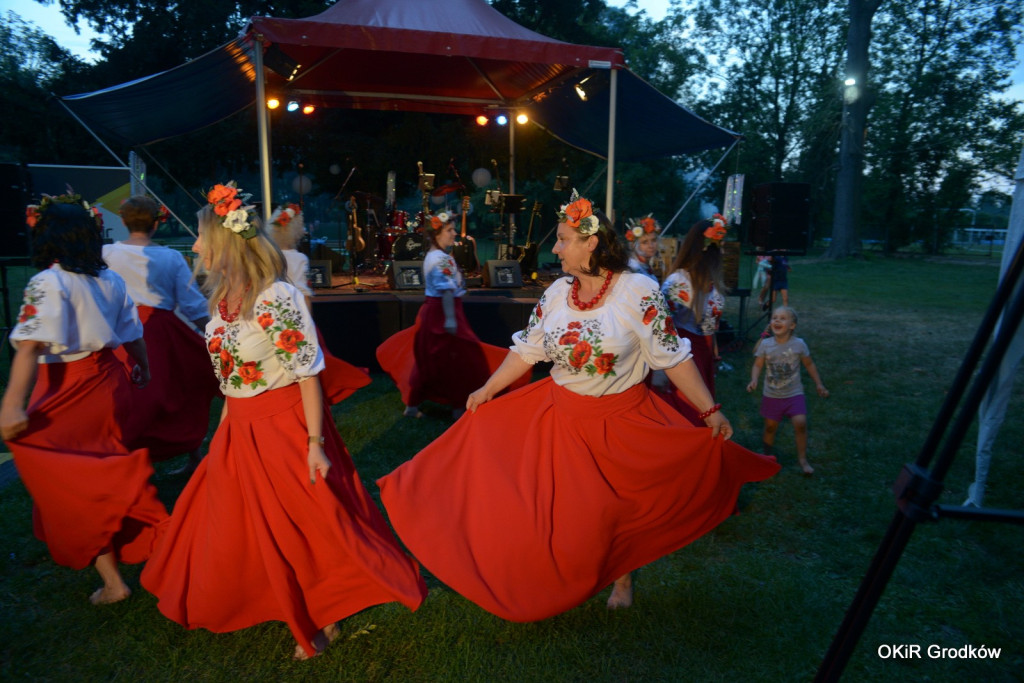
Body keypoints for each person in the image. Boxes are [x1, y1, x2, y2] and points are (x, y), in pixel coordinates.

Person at [377, 190, 779, 622]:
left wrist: (708, 410)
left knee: (615, 510)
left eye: (563, 239)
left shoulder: (637, 291)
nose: (554, 247)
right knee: (562, 514)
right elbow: (528, 350)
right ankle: (549, 574)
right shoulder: (555, 294)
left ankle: (621, 572)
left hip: (621, 420)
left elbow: (671, 356)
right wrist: (488, 389)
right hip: (560, 417)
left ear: (591, 243)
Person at [140, 182, 426, 660]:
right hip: (240, 427)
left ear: (224, 243)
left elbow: (309, 374)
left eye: (200, 237)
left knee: (309, 520)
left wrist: (314, 442)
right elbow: (231, 379)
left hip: (285, 424)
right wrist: (222, 432)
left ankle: (327, 609)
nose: (193, 246)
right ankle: (264, 593)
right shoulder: (223, 299)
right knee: (240, 519)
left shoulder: (276, 298)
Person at [1, 194, 165, 606]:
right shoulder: (108, 280)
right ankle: (118, 567)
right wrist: (142, 367)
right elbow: (132, 333)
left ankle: (115, 575)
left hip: (64, 389)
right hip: (108, 383)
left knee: (68, 481)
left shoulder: (48, 281)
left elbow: (28, 347)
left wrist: (11, 405)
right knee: (90, 475)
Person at [376, 211, 530, 418]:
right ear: (436, 234)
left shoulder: (434, 256)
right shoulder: (441, 260)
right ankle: (458, 407)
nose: (454, 234)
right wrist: (450, 319)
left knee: (432, 360)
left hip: (434, 312)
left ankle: (415, 406)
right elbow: (447, 291)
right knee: (459, 361)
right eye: (450, 230)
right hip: (442, 314)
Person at [103, 195, 218, 472]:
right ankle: (192, 451)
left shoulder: (106, 253)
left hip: (120, 330)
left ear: (122, 221)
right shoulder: (171, 256)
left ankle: (123, 458)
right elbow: (191, 303)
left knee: (127, 397)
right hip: (163, 333)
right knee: (182, 387)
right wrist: (217, 335)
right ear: (157, 223)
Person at [268, 203, 371, 405]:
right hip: (296, 319)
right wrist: (309, 323)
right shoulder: (298, 258)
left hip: (273, 318)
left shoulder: (268, 256)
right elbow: (304, 295)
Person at [657, 215, 728, 423]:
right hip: (685, 352)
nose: (723, 252)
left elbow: (710, 324)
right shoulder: (678, 282)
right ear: (706, 250)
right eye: (720, 247)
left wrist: (713, 349)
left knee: (705, 407)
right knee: (689, 411)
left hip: (704, 350)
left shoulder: (713, 282)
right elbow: (661, 327)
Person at [746, 305, 828, 474]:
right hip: (772, 395)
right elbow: (757, 364)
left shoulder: (799, 345)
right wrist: (754, 379)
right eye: (775, 317)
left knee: (800, 423)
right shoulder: (766, 345)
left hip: (794, 393)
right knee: (770, 427)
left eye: (782, 318)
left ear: (792, 325)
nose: (777, 320)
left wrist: (819, 384)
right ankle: (766, 457)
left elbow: (809, 364)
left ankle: (803, 460)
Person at [625, 214, 660, 281]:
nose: (651, 245)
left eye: (653, 240)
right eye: (645, 242)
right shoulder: (633, 268)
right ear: (634, 245)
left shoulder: (644, 265)